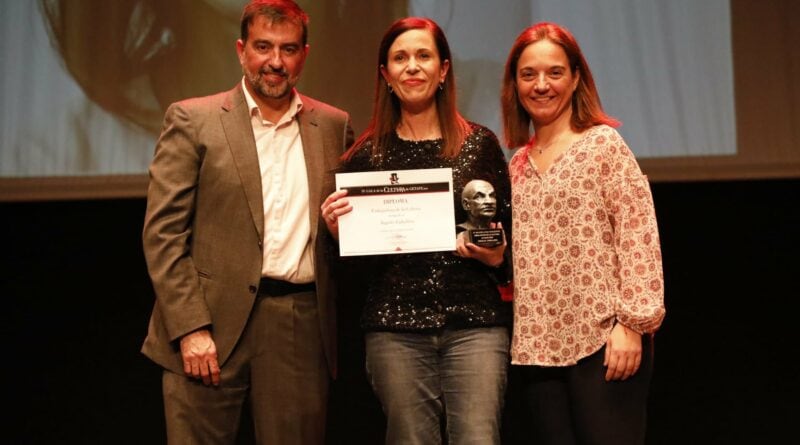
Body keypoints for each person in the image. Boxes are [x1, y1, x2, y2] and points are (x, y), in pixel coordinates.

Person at [140, 1, 354, 443]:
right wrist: (190, 327)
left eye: (288, 49)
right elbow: (163, 234)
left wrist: (341, 230)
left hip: (299, 322)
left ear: (304, 55)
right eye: (263, 47)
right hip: (208, 324)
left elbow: (344, 230)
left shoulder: (334, 126)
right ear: (241, 51)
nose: (275, 62)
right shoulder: (193, 118)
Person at [321, 17, 512, 445]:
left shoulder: (479, 145)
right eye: (400, 58)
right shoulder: (364, 158)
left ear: (443, 70)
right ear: (386, 76)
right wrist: (338, 234)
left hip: (475, 326)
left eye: (423, 56)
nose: (412, 66)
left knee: (478, 438)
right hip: (394, 330)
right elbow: (348, 274)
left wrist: (497, 255)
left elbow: (510, 242)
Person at [500, 22, 666, 445]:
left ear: (575, 78)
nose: (541, 85)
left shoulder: (603, 145)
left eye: (554, 72)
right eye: (528, 74)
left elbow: (639, 236)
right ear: (514, 83)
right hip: (538, 348)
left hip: (603, 341)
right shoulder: (515, 165)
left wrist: (632, 325)